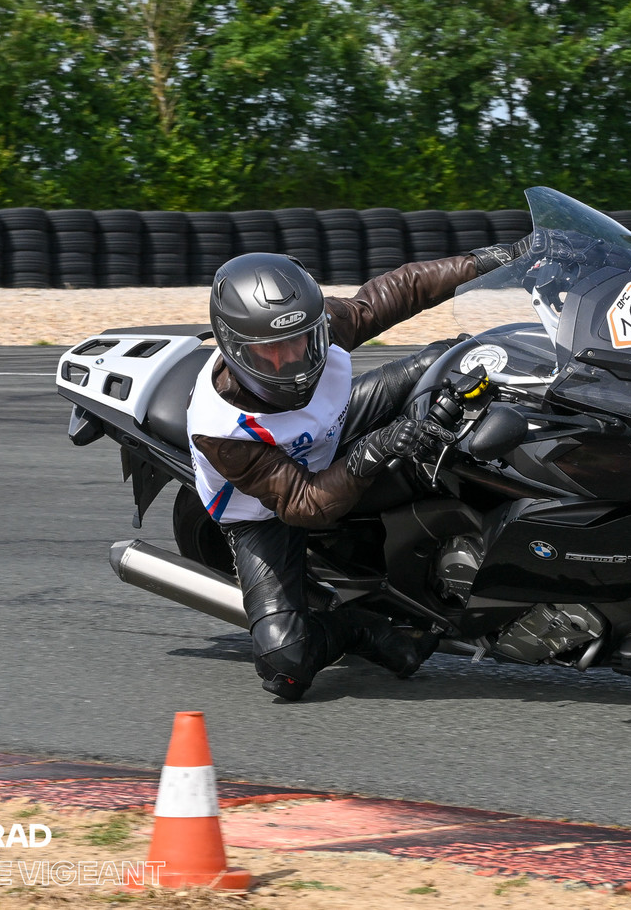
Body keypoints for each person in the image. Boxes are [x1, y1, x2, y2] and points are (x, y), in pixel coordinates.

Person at [187, 238, 526, 701]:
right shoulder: (221, 429)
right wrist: (375, 449)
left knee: (457, 360)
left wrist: (489, 262)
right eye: (273, 353)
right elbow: (303, 504)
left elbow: (397, 290)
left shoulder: (318, 328)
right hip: (269, 512)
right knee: (284, 662)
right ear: (237, 350)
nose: (293, 361)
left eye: (301, 341)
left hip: (333, 431)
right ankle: (361, 629)